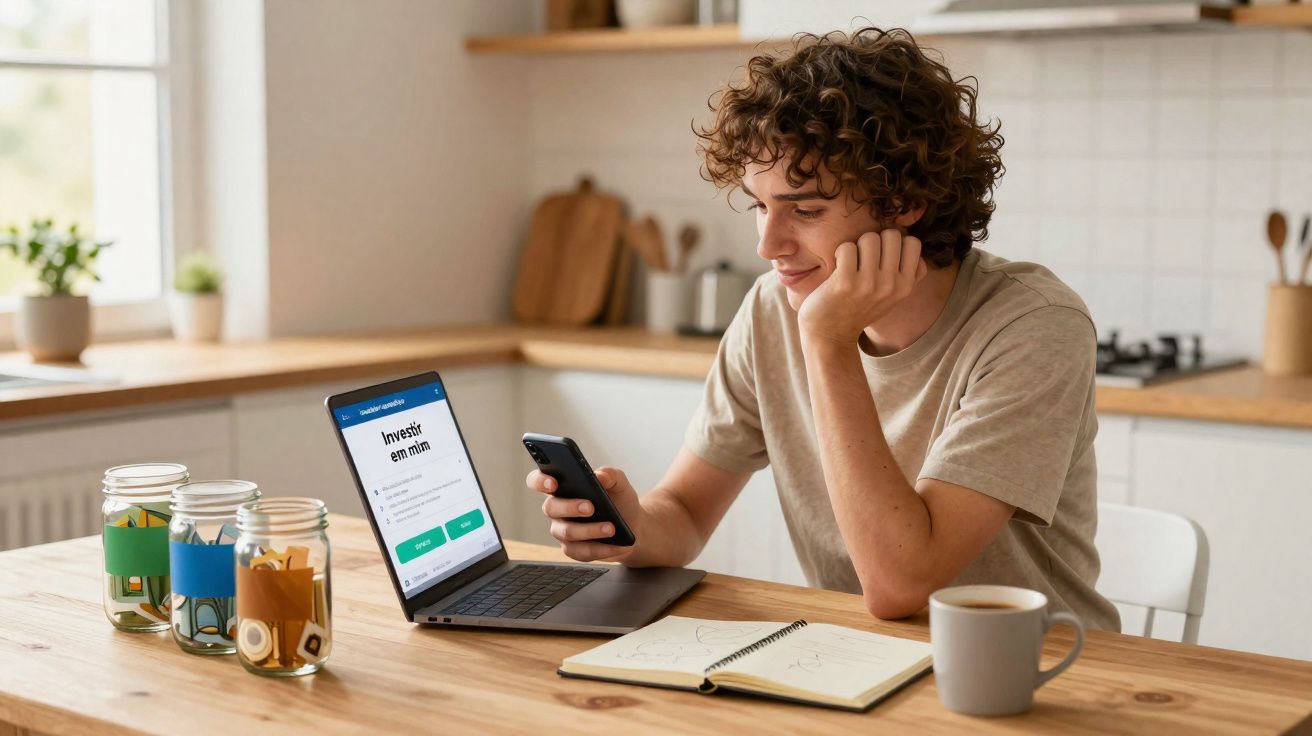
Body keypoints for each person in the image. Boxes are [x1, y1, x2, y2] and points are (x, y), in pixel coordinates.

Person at [525, 27, 1119, 631]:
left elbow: (900, 585)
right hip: (859, 657)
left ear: (903, 202)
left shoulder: (1033, 325)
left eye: (805, 209)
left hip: (1040, 672)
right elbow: (684, 512)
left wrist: (827, 341)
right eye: (760, 204)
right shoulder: (772, 307)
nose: (767, 244)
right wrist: (628, 528)